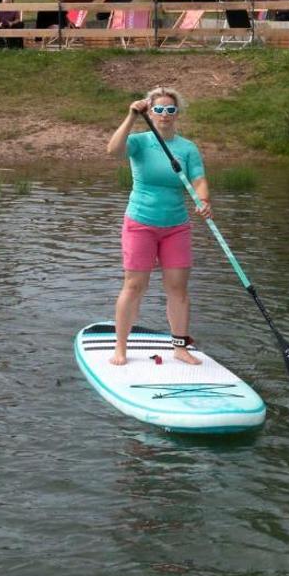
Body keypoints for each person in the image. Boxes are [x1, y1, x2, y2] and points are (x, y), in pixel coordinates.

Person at [105, 86, 211, 367]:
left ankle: (180, 347)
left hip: (176, 226)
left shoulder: (187, 148)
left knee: (178, 288)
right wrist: (130, 116)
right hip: (141, 222)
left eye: (170, 110)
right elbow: (113, 150)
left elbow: (198, 179)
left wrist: (203, 199)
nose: (165, 115)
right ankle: (121, 347)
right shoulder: (139, 142)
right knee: (134, 285)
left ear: (177, 114)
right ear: (150, 113)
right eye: (159, 110)